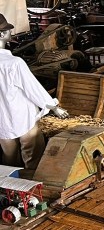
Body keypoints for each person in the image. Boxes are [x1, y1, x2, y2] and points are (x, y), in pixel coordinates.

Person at [0, 13, 68, 170]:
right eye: (8, 30)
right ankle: (34, 186)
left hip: (2, 123)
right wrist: (54, 106)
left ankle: (13, 189)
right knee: (33, 157)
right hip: (23, 118)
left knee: (9, 161)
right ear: (2, 34)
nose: (11, 32)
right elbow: (32, 89)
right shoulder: (14, 63)